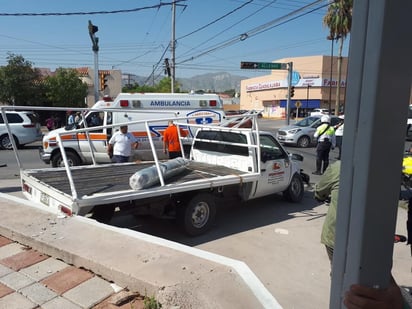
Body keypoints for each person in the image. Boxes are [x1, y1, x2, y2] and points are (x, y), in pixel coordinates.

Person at [314, 160, 341, 262]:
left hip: (337, 235)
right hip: (377, 235)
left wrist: (319, 196)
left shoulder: (338, 167)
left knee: (338, 273)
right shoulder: (384, 170)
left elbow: (320, 191)